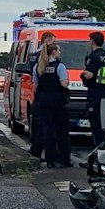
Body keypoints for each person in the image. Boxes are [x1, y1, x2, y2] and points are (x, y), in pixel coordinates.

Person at [32, 39, 72, 167]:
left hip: (43, 100)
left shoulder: (38, 67)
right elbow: (64, 84)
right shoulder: (60, 67)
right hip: (58, 100)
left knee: (47, 130)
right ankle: (64, 159)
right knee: (61, 130)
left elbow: (35, 87)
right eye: (58, 50)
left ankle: (49, 160)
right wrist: (67, 81)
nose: (60, 52)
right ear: (54, 52)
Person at [82, 32, 105, 146]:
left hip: (95, 94)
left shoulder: (93, 57)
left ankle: (98, 150)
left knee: (96, 125)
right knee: (104, 124)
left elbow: (89, 75)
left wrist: (83, 74)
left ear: (92, 41)